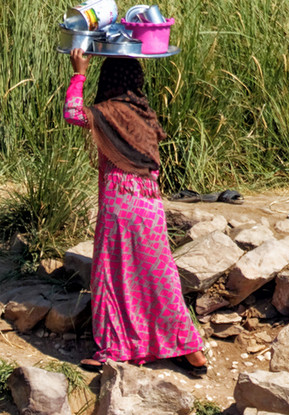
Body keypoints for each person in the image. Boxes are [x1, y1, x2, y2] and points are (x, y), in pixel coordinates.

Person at [64, 50, 208, 374]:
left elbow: (73, 112)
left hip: (120, 203)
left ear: (108, 82)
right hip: (151, 203)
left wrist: (78, 73)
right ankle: (191, 350)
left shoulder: (108, 111)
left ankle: (116, 347)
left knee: (114, 276)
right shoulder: (145, 116)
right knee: (159, 278)